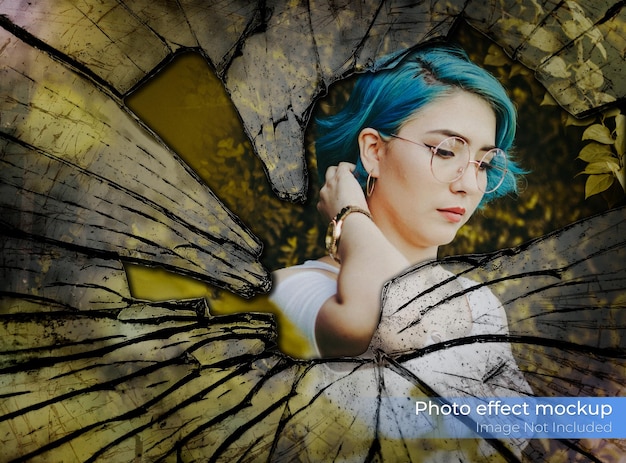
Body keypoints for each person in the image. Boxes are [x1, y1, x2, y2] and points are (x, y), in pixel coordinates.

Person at [270, 42, 525, 360]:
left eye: (484, 163)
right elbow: (402, 326)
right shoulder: (292, 292)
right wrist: (351, 215)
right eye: (445, 151)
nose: (470, 185)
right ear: (374, 151)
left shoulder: (479, 304)